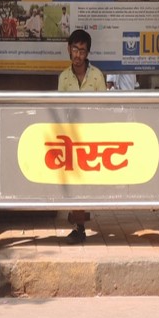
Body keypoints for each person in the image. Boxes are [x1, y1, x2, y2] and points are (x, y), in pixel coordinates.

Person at [58, 28, 107, 244]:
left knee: (87, 183)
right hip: (71, 137)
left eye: (82, 51)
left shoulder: (97, 76)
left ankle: (81, 223)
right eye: (75, 50)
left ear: (88, 54)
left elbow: (103, 108)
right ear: (69, 50)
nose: (78, 55)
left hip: (91, 136)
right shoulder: (64, 78)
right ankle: (79, 226)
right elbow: (60, 110)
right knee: (74, 184)